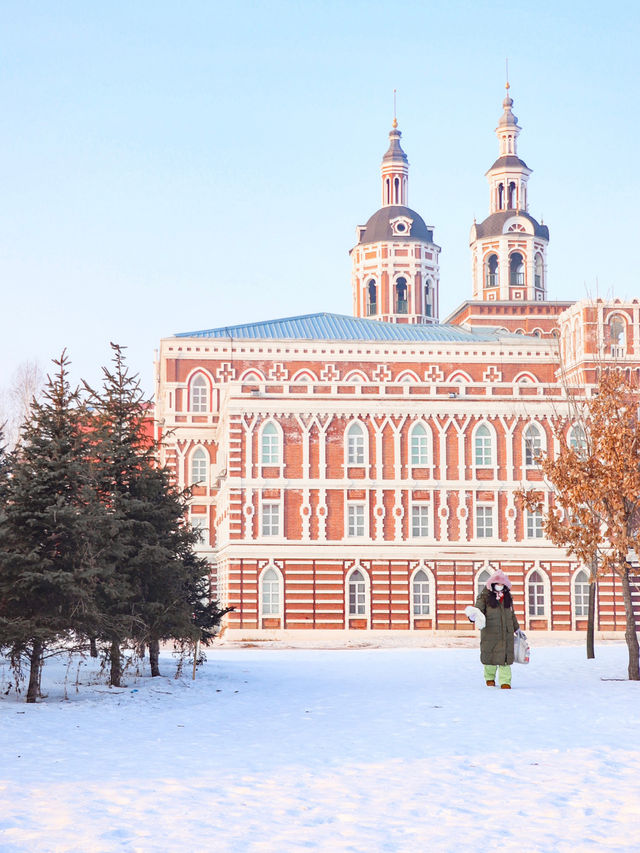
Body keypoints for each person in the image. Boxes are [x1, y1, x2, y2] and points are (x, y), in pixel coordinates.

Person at [468, 569, 520, 689]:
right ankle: (489, 678)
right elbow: (478, 610)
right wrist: (473, 616)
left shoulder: (507, 597)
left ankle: (505, 681)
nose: (500, 587)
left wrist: (516, 629)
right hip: (490, 633)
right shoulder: (484, 596)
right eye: (498, 584)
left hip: (506, 633)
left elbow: (512, 615)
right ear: (492, 584)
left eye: (502, 585)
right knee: (490, 657)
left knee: (505, 659)